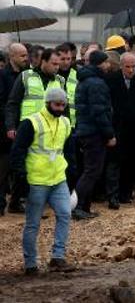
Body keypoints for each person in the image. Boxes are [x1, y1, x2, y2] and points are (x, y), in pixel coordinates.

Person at [10, 88, 76, 275]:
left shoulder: (64, 122)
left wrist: (72, 172)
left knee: (64, 214)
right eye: (57, 104)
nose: (60, 108)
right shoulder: (32, 122)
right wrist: (21, 177)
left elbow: (68, 150)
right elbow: (18, 150)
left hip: (58, 178)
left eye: (63, 105)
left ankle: (58, 257)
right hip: (37, 180)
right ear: (48, 103)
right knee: (33, 223)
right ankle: (30, 264)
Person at [105, 53, 135, 209]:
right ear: (121, 66)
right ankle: (112, 195)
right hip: (117, 128)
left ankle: (125, 194)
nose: (131, 70)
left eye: (133, 66)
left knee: (132, 162)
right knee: (114, 163)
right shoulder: (112, 80)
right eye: (127, 66)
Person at [72, 50, 116, 220]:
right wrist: (109, 134)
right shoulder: (96, 83)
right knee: (91, 171)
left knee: (92, 170)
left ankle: (84, 207)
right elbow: (100, 112)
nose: (109, 65)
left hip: (86, 131)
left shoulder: (86, 80)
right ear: (99, 63)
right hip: (94, 133)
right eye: (106, 62)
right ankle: (75, 207)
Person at [0, 43, 29, 215]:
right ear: (12, 56)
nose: (26, 59)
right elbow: (3, 103)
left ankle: (16, 201)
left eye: (26, 55)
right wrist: (9, 123)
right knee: (3, 170)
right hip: (6, 130)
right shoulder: (3, 76)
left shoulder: (28, 76)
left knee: (22, 168)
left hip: (23, 128)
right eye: (22, 56)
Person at [55, 44, 78, 126]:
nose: (66, 62)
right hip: (55, 123)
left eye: (68, 59)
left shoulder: (77, 75)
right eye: (63, 59)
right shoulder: (51, 75)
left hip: (73, 124)